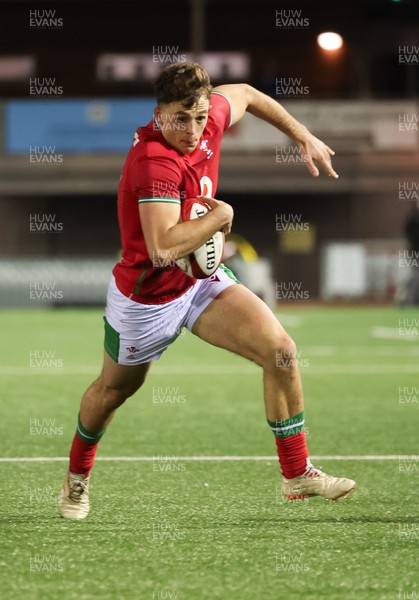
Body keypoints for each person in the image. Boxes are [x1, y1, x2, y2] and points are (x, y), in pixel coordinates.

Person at [59, 62, 356, 519]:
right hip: (147, 298)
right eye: (181, 118)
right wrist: (220, 217)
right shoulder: (154, 161)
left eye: (199, 117)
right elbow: (161, 249)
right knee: (113, 392)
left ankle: (297, 473)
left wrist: (301, 135)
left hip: (197, 281)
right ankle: (77, 475)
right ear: (159, 115)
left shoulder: (209, 115)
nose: (193, 129)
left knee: (280, 349)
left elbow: (250, 95)